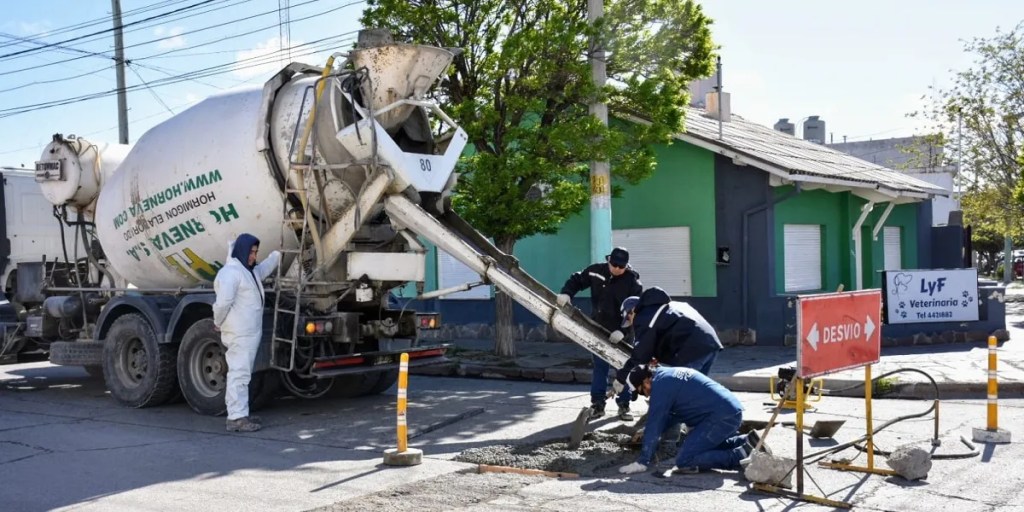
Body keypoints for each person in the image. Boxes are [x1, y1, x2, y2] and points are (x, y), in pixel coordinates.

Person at [617, 364, 766, 475]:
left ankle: (739, 456)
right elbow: (672, 417)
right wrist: (646, 431)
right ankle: (747, 441)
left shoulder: (660, 387)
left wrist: (642, 462)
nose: (647, 396)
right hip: (727, 412)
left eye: (642, 392)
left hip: (721, 418)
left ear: (646, 382)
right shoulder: (666, 376)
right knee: (703, 446)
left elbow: (655, 422)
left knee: (685, 460)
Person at [557, 247, 642, 421]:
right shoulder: (596, 271)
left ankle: (624, 405)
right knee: (600, 368)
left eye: (622, 266)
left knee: (623, 369)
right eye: (615, 265)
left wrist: (623, 330)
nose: (617, 269)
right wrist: (567, 293)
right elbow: (577, 279)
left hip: (622, 332)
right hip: (599, 329)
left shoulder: (633, 284)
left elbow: (636, 311)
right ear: (609, 260)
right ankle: (598, 405)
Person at [213, 233, 281, 433]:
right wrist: (217, 322)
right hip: (239, 333)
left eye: (256, 252)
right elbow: (223, 303)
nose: (254, 256)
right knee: (239, 375)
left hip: (248, 333)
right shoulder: (231, 273)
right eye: (251, 252)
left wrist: (278, 254)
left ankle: (241, 413)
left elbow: (263, 269)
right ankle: (235, 418)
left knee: (243, 374)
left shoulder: (246, 271)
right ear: (242, 250)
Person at [615, 286, 723, 386]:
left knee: (679, 391)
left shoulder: (644, 316)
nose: (632, 324)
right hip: (711, 343)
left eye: (629, 319)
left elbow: (640, 354)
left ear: (632, 311)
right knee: (696, 390)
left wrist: (621, 378)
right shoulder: (668, 307)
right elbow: (666, 333)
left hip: (692, 350)